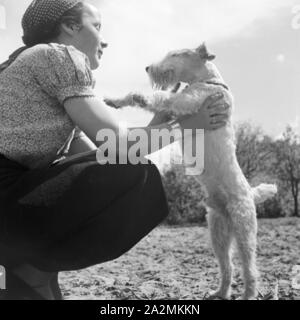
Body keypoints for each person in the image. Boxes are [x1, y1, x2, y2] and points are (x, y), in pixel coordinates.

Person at [0, 0, 230, 300]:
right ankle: (29, 268)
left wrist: (161, 117)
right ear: (70, 27)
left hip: (10, 200)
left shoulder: (28, 70)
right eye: (97, 27)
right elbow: (121, 151)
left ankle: (28, 271)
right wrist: (189, 126)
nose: (104, 40)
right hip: (7, 197)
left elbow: (103, 155)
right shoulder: (58, 56)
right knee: (134, 176)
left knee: (118, 168)